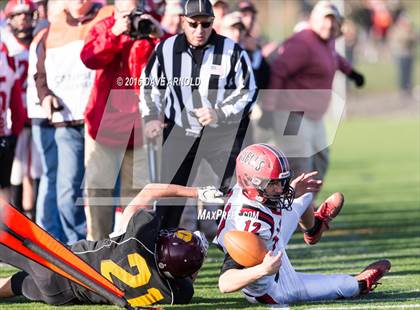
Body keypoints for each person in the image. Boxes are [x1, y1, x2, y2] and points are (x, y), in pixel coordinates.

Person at [214, 143, 391, 305]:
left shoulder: (243, 190)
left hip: (272, 242)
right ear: (250, 181)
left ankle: (313, 229)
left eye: (280, 182)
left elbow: (200, 192)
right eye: (272, 183)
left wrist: (289, 190)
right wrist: (262, 269)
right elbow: (225, 284)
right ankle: (360, 284)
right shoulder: (248, 226)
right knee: (346, 286)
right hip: (275, 287)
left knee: (302, 197)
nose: (280, 189)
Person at [0, 184, 224, 306]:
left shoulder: (136, 238)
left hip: (57, 262)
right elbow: (185, 276)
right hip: (61, 295)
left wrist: (196, 192)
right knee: (15, 286)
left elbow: (149, 191)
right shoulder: (176, 294)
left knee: (7, 235)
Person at [140, 0, 257, 229]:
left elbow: (248, 90)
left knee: (241, 189)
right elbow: (150, 86)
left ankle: (247, 242)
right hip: (178, 132)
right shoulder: (165, 49)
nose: (199, 30)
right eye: (193, 24)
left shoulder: (231, 50)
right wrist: (152, 116)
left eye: (206, 24)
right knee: (168, 200)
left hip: (220, 134)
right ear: (183, 21)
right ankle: (163, 255)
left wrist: (219, 112)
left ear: (213, 23)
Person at [259, 1, 365, 204]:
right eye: (326, 21)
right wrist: (269, 108)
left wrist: (352, 72)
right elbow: (279, 71)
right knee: (300, 163)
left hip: (314, 116)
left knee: (320, 161)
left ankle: (304, 205)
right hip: (293, 114)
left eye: (334, 22)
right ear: (314, 21)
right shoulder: (302, 42)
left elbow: (334, 58)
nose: (330, 26)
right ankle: (288, 208)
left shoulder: (327, 41)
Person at [81, 0, 163, 241]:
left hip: (139, 127)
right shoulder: (103, 27)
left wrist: (158, 35)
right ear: (114, 10)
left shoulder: (149, 28)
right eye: (126, 13)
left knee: (137, 197)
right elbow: (89, 58)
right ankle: (95, 248)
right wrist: (116, 33)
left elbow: (171, 62)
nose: (131, 18)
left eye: (135, 12)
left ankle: (130, 249)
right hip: (103, 126)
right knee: (98, 196)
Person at [34, 1, 112, 244]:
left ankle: (106, 246)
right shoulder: (51, 29)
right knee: (67, 192)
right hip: (66, 123)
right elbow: (40, 73)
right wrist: (45, 95)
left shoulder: (107, 17)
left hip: (101, 122)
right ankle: (76, 248)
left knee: (103, 192)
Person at [1, 0, 41, 220]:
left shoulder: (40, 40)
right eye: (18, 15)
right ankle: (15, 218)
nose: (24, 19)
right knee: (15, 171)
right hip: (11, 119)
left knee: (37, 170)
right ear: (9, 19)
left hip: (34, 114)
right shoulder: (6, 46)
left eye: (27, 15)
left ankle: (33, 218)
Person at [0, 40, 26, 204]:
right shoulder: (5, 54)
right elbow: (17, 108)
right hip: (4, 137)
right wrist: (14, 133)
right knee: (4, 193)